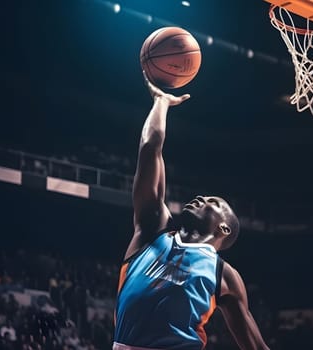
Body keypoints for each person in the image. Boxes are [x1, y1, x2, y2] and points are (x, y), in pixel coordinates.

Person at [113, 74, 270, 350]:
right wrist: (161, 102)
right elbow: (150, 149)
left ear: (224, 228)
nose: (200, 198)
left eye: (213, 202)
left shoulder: (224, 274)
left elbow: (255, 346)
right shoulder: (153, 231)